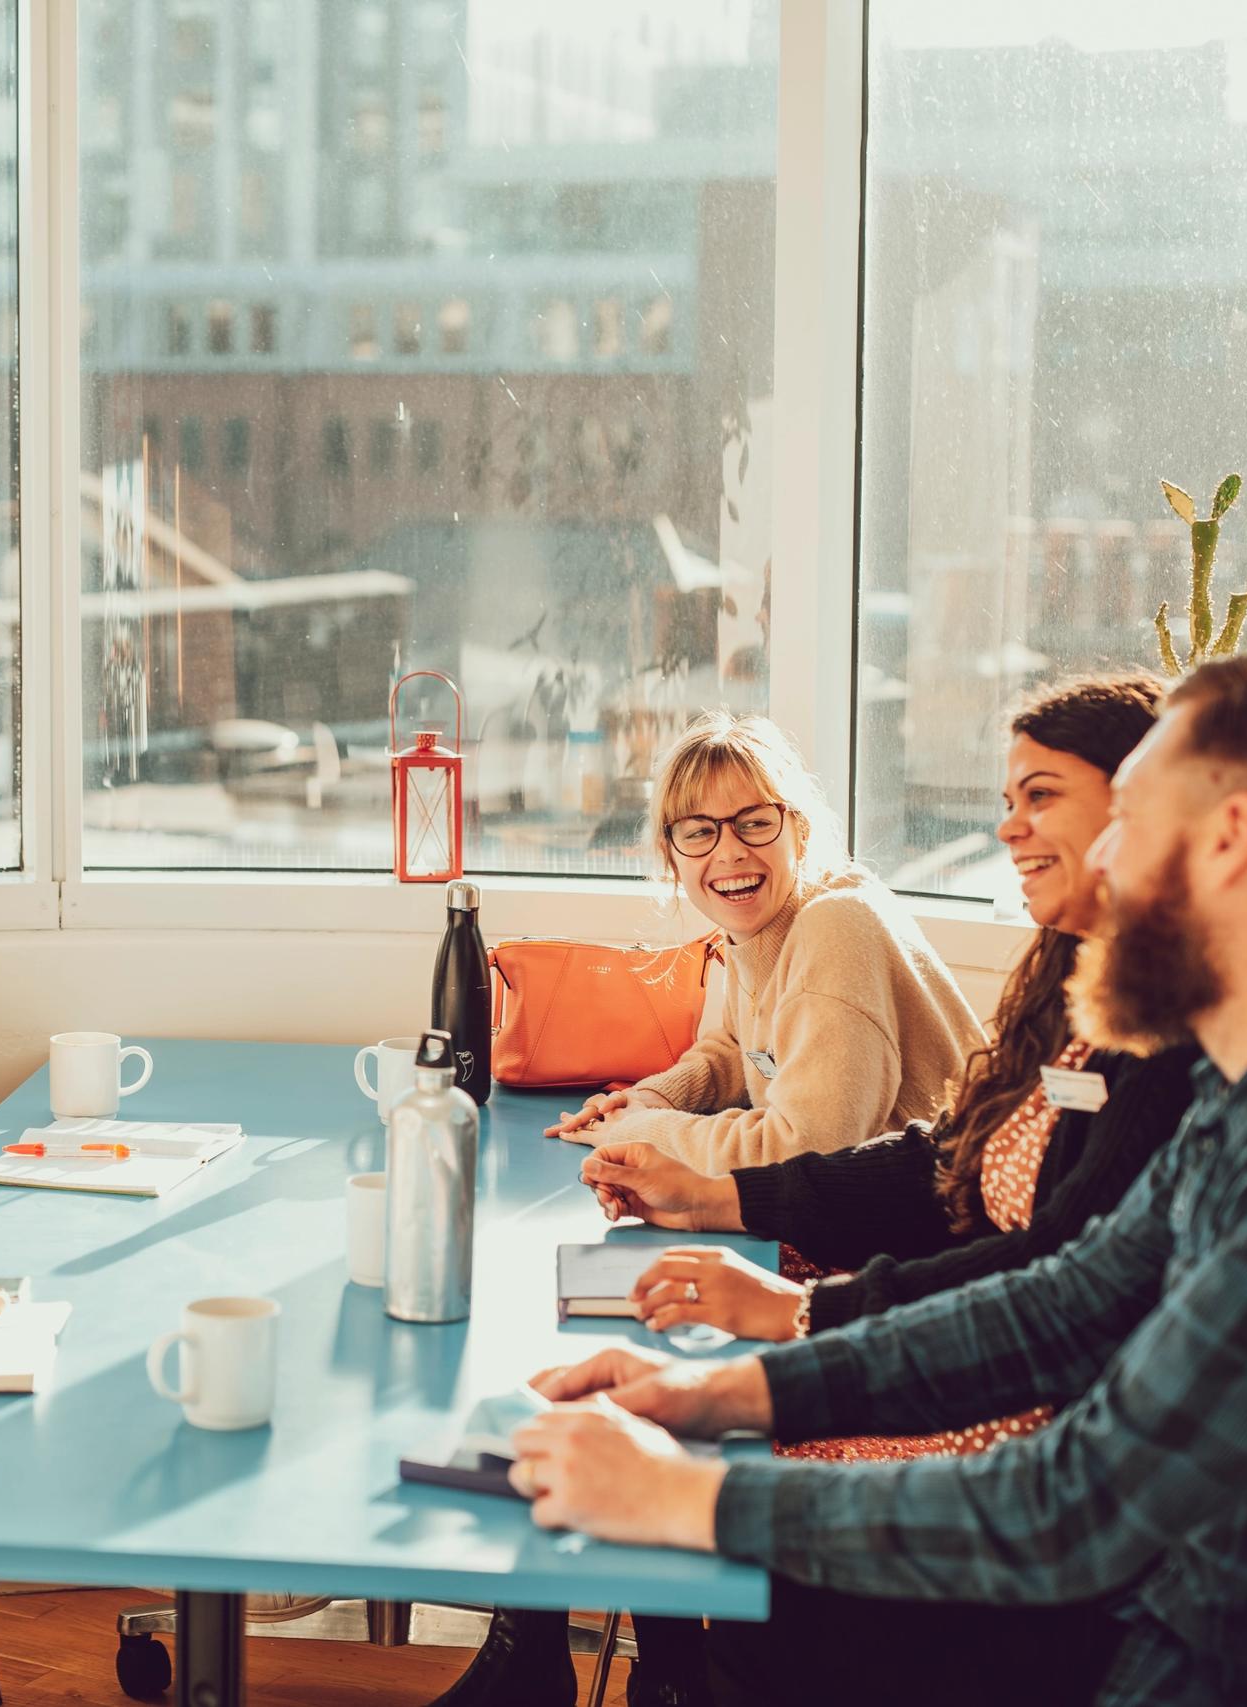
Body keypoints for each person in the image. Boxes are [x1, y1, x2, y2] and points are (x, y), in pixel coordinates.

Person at [505, 652, 1247, 1707]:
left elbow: (1079, 1505)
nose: (1096, 856)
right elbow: (1068, 1301)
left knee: (779, 1611)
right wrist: (716, 1392)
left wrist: (693, 1496)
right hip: (1187, 1615)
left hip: (1240, 1661)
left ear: (1230, 839)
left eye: (1127, 818)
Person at [428, 674, 1199, 1707]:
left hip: (1002, 1387)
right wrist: (699, 1177)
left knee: (666, 1401)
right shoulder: (1068, 973)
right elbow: (942, 1159)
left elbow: (1053, 1280)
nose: (1007, 827)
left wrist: (802, 1310)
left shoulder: (1157, 1026)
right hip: (918, 1289)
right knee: (612, 1368)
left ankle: (664, 1672)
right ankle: (625, 1669)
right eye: (695, 832)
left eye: (1039, 797)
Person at [546, 710, 981, 1173]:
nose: (730, 851)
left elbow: (803, 1153)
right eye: (699, 832)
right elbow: (745, 1047)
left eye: (753, 823)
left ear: (800, 830)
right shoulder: (761, 926)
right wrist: (650, 1096)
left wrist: (641, 1130)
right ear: (671, 856)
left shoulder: (836, 925)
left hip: (930, 1227)